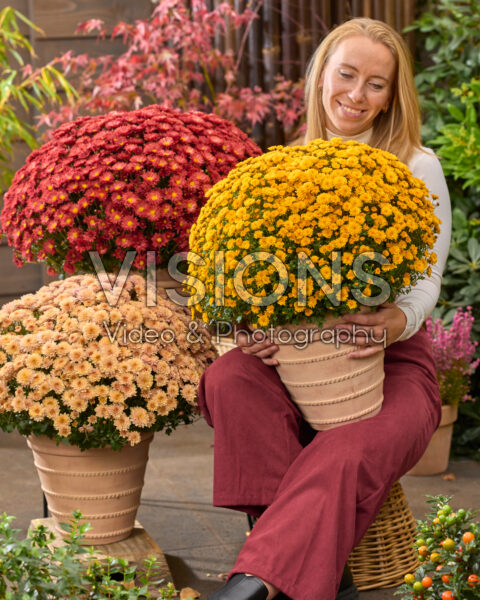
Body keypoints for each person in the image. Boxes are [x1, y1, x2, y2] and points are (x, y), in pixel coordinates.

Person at [198, 17, 451, 600]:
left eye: (376, 84)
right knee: (230, 376)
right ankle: (315, 573)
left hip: (390, 366)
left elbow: (425, 281)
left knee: (344, 448)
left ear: (394, 95)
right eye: (347, 75)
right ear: (320, 77)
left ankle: (253, 585)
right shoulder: (283, 170)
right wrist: (251, 328)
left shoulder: (417, 164)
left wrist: (396, 321)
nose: (356, 95)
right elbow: (256, 279)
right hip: (299, 357)